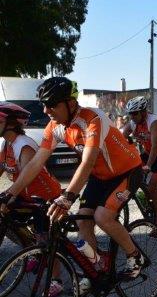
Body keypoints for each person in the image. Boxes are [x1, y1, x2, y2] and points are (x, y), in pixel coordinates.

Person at [0, 77, 147, 280]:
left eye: (52, 105)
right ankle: (95, 267)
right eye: (44, 105)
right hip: (99, 176)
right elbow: (36, 163)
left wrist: (67, 197)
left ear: (70, 103)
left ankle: (135, 255)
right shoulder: (54, 126)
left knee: (102, 217)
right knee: (83, 221)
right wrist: (10, 193)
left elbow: (87, 163)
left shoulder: (93, 120)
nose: (46, 111)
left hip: (127, 171)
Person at [0, 102, 63, 297]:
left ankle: (56, 280)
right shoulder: (6, 144)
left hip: (45, 197)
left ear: (11, 123)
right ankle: (33, 251)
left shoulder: (24, 145)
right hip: (24, 195)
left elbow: (28, 175)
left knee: (46, 238)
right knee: (6, 220)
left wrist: (7, 195)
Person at [121, 96, 157, 230]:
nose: (132, 117)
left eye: (135, 113)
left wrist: (148, 166)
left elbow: (156, 146)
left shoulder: (154, 122)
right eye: (130, 114)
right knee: (130, 175)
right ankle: (147, 202)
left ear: (144, 112)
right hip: (149, 152)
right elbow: (121, 139)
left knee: (152, 187)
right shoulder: (133, 123)